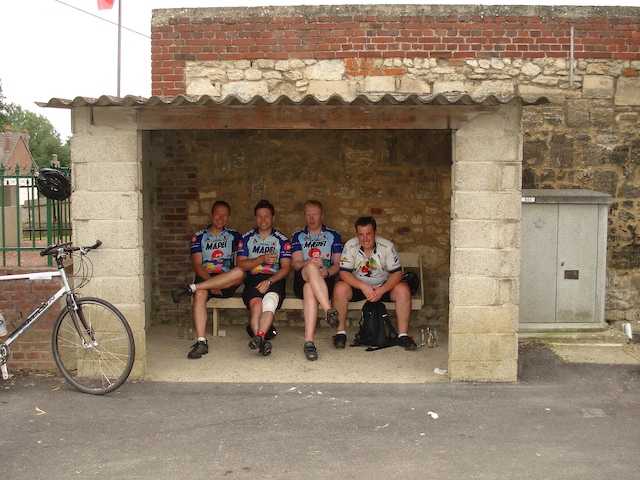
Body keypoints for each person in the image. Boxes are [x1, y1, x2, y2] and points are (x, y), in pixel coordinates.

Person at [171, 201, 244, 359]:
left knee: (240, 272)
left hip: (227, 281)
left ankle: (191, 287)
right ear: (212, 215)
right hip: (205, 277)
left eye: (225, 215)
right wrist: (212, 283)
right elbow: (197, 265)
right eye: (218, 214)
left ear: (228, 217)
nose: (221, 217)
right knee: (200, 294)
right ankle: (201, 342)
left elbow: (239, 265)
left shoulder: (235, 236)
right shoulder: (199, 237)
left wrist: (221, 282)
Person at [333, 216, 417, 351]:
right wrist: (363, 286)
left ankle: (403, 335)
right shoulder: (350, 245)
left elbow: (397, 273)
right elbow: (344, 273)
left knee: (403, 290)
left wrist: (382, 290)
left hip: (382, 286)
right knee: (340, 288)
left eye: (368, 234)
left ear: (375, 233)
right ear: (356, 234)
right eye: (361, 234)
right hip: (359, 286)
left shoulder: (387, 246)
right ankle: (340, 333)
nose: (365, 238)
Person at [236, 199, 291, 356]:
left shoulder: (282, 239)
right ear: (255, 218)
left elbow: (286, 268)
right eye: (259, 216)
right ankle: (261, 338)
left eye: (266, 216)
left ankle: (258, 337)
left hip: (274, 279)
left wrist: (270, 281)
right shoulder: (246, 238)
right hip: (252, 279)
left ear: (273, 217)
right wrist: (260, 259)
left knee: (269, 303)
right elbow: (241, 264)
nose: (263, 220)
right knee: (256, 304)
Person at [290, 200, 342, 361]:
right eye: (308, 214)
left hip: (325, 279)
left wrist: (326, 272)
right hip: (303, 275)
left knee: (309, 289)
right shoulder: (298, 236)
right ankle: (328, 310)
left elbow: (337, 265)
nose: (311, 218)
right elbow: (296, 264)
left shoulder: (334, 235)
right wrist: (309, 263)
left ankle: (309, 342)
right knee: (311, 269)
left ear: (322, 215)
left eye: (315, 214)